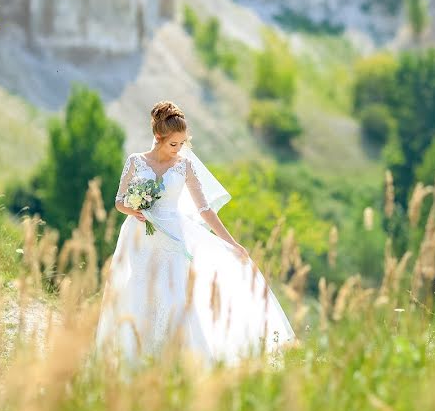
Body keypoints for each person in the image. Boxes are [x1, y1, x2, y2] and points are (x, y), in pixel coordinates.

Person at [95, 100, 295, 368]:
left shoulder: (184, 166)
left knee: (174, 297)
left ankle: (173, 360)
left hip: (173, 241)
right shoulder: (136, 162)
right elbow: (119, 201)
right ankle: (133, 358)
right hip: (140, 236)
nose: (179, 149)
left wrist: (232, 243)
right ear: (158, 137)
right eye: (173, 144)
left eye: (182, 143)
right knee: (139, 290)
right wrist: (135, 210)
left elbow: (204, 209)